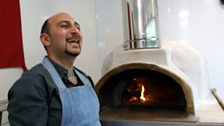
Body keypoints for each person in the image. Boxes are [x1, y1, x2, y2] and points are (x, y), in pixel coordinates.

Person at [7, 12, 101, 126]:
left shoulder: (85, 79)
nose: (75, 31)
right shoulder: (31, 84)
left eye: (77, 27)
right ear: (46, 39)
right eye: (65, 26)